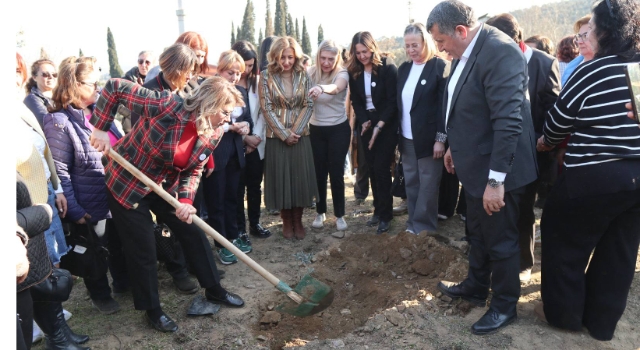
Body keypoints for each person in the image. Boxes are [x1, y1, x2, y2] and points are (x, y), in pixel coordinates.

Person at [89, 76, 246, 332]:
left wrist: (185, 201)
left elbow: (193, 171)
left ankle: (214, 289)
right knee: (143, 247)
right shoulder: (166, 105)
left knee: (192, 230)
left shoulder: (213, 131)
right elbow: (115, 88)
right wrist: (100, 128)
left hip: (162, 185)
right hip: (127, 182)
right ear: (209, 104)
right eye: (226, 112)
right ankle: (152, 310)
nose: (229, 119)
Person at [428, 0, 537, 335]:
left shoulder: (499, 51)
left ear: (461, 31)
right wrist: (453, 150)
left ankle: (504, 306)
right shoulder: (467, 51)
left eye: (441, 42)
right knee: (477, 233)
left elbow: (508, 122)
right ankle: (476, 286)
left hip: (500, 173)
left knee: (501, 241)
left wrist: (495, 180)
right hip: (474, 165)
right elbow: (464, 105)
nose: (440, 49)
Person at [535, 0, 640, 341]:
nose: (581, 39)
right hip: (636, 179)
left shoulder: (592, 69)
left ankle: (565, 316)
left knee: (562, 238)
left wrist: (545, 142)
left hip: (593, 175)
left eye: (589, 31)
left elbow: (557, 122)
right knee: (620, 250)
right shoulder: (637, 69)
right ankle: (601, 323)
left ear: (607, 33)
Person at [16, 52, 89, 350]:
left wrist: (57, 189)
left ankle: (59, 331)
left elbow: (40, 152)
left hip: (43, 193)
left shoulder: (17, 107)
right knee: (37, 271)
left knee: (51, 263)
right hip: (22, 204)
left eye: (12, 69)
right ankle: (55, 337)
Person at [43, 56, 123, 314]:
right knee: (94, 249)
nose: (98, 89)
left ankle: (123, 282)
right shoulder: (59, 121)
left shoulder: (97, 112)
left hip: (110, 191)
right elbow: (60, 170)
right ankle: (100, 294)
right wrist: (75, 210)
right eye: (92, 84)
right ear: (74, 84)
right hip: (87, 198)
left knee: (115, 243)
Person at [485, 13, 560, 282]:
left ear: (514, 40)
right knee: (501, 209)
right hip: (501, 148)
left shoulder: (544, 63)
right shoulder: (493, 63)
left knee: (525, 209)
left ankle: (524, 263)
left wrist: (542, 140)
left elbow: (553, 107)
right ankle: (500, 261)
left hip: (534, 151)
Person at [139, 43, 206, 294]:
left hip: (180, 170)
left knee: (186, 223)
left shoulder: (186, 88)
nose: (190, 76)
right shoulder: (149, 92)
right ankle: (177, 269)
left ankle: (193, 267)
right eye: (186, 70)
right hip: (153, 174)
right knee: (165, 226)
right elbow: (144, 137)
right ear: (173, 68)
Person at [260, 36, 317, 240]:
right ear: (275, 57)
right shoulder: (266, 76)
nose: (286, 62)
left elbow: (308, 104)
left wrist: (296, 131)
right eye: (282, 57)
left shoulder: (304, 75)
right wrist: (284, 134)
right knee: (281, 179)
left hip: (301, 136)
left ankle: (298, 220)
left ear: (296, 57)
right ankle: (286, 221)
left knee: (299, 179)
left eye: (290, 57)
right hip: (276, 138)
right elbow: (266, 108)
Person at [397, 23, 449, 234]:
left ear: (425, 42)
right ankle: (413, 224)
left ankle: (425, 227)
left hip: (430, 140)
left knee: (428, 185)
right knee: (411, 183)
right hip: (407, 138)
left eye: (415, 45)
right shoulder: (404, 69)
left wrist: (440, 139)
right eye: (407, 46)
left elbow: (443, 108)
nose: (411, 50)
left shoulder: (440, 67)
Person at [346, 31, 398, 233]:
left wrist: (379, 124)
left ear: (372, 48)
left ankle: (386, 215)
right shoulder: (354, 71)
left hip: (386, 124)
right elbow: (356, 101)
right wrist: (365, 120)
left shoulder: (387, 66)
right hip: (366, 124)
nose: (362, 56)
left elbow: (393, 101)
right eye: (358, 52)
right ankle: (377, 210)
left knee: (382, 169)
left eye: (365, 51)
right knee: (371, 170)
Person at [203, 50, 252, 264]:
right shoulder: (210, 90)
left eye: (238, 73)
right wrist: (230, 126)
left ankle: (233, 237)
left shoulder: (240, 90)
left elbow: (247, 117)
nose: (234, 78)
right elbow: (205, 122)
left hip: (236, 152)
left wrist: (246, 126)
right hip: (216, 154)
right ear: (220, 70)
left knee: (233, 198)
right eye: (230, 72)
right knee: (217, 202)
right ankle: (221, 245)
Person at [307, 40, 350, 231]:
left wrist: (321, 87)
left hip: (338, 128)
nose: (326, 62)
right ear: (318, 56)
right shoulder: (310, 72)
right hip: (316, 129)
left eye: (330, 59)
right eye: (323, 58)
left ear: (337, 59)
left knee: (336, 173)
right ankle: (320, 211)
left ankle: (339, 215)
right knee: (319, 172)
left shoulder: (341, 73)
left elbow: (337, 88)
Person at [231, 40, 272, 241]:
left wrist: (255, 137)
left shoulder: (258, 83)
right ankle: (240, 228)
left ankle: (255, 223)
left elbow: (263, 113)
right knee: (238, 189)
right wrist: (244, 138)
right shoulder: (228, 84)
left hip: (256, 143)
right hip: (236, 144)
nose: (247, 70)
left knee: (255, 186)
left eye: (250, 65)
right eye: (244, 65)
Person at [561, 15, 595, 85]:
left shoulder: (608, 65)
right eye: (579, 36)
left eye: (585, 36)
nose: (579, 42)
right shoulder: (571, 67)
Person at [23, 59, 57, 128]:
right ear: (34, 77)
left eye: (54, 74)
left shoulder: (61, 96)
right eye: (45, 74)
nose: (51, 77)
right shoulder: (31, 99)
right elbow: (48, 124)